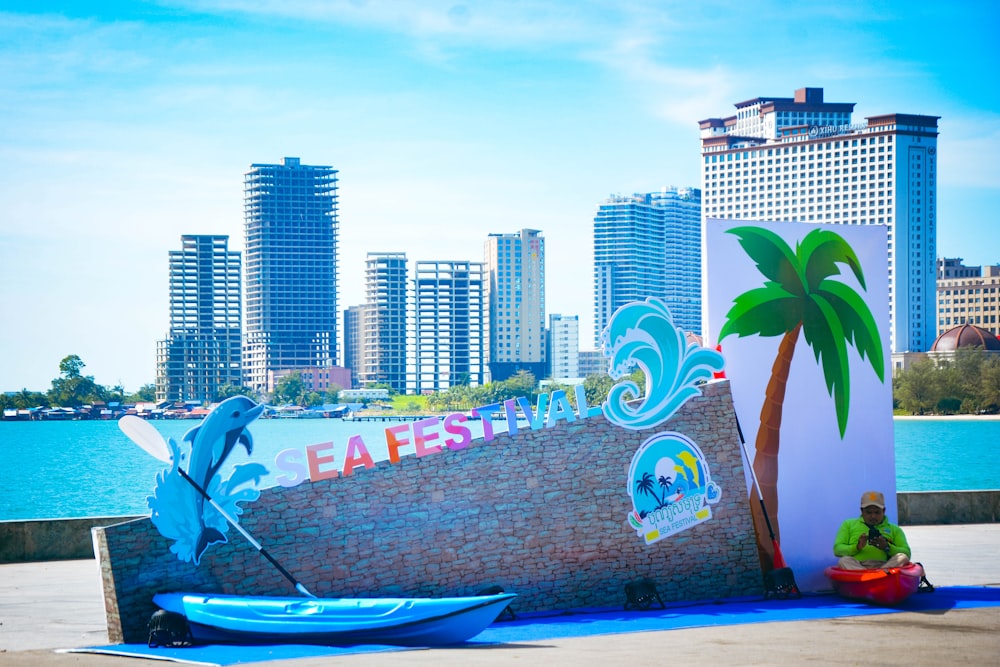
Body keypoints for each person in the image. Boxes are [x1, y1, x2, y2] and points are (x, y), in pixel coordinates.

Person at [833, 490, 911, 570]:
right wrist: (857, 547)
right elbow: (837, 549)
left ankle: (878, 574)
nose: (873, 516)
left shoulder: (894, 529)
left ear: (884, 511)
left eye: (877, 512)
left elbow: (907, 553)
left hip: (885, 566)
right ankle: (870, 576)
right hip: (857, 566)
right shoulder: (848, 524)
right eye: (869, 512)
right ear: (862, 511)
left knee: (902, 557)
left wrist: (887, 547)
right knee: (843, 561)